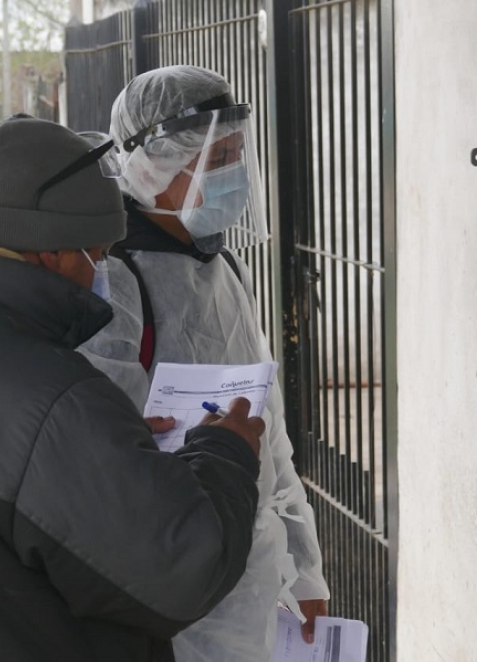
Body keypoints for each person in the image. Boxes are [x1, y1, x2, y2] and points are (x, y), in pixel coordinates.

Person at [0, 115, 265, 661]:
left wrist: (98, 450)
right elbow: (183, 569)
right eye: (100, 254)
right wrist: (225, 452)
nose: (100, 272)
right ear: (51, 253)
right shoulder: (50, 400)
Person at [79, 65, 330, 662]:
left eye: (238, 156)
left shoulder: (222, 270)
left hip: (251, 572)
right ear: (153, 165)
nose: (234, 176)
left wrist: (303, 570)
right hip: (166, 581)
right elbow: (100, 450)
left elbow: (266, 433)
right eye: (217, 159)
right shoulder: (114, 280)